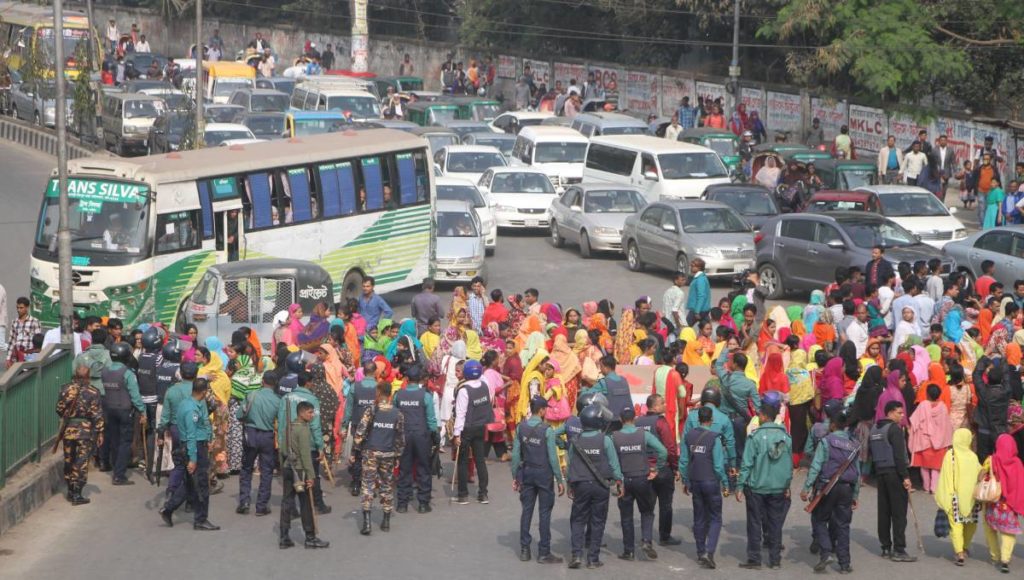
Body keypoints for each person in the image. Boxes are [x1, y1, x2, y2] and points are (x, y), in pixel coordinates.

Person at [736, 402, 793, 570]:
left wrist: (739, 486)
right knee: (775, 523)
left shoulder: (755, 437)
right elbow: (789, 465)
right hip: (778, 487)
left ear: (763, 416)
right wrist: (787, 485)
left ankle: (754, 559)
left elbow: (746, 464)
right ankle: (775, 560)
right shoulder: (786, 437)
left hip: (756, 487)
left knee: (754, 522)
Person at [801, 410, 860, 574]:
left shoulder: (826, 441)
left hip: (828, 487)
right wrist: (855, 494)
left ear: (833, 425)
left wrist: (806, 487)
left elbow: (816, 466)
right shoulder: (854, 444)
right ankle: (845, 564)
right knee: (843, 525)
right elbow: (858, 473)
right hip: (847, 488)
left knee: (819, 519)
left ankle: (826, 552)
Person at [567, 404, 624, 569]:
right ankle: (593, 559)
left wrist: (570, 484)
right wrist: (619, 482)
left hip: (581, 485)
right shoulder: (605, 440)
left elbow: (571, 464)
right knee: (598, 521)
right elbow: (614, 465)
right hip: (600, 485)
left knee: (578, 520)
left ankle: (576, 555)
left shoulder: (575, 440)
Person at [159, 378, 219, 531]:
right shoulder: (191, 409)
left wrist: (210, 437)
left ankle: (168, 508)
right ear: (204, 392)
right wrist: (192, 459)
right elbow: (191, 436)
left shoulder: (192, 403)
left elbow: (205, 421)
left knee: (190, 484)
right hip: (194, 447)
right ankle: (201, 519)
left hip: (199, 444)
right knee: (201, 486)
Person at [511, 396, 565, 564]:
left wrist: (515, 476)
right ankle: (543, 552)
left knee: (526, 510)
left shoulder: (521, 428)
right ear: (541, 410)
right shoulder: (547, 430)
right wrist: (559, 479)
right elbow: (553, 458)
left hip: (527, 472)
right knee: (544, 513)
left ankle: (525, 550)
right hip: (544, 475)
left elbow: (515, 455)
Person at [613, 407, 667, 561]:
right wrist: (656, 469)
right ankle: (646, 541)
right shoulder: (644, 434)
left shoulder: (614, 437)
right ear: (634, 419)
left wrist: (616, 478)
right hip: (642, 479)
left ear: (621, 420)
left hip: (624, 480)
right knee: (647, 512)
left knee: (626, 516)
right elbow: (662, 451)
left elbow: (611, 459)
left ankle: (628, 551)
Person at [352, 381, 405, 535]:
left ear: (380, 392)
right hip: (388, 454)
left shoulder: (372, 410)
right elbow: (400, 438)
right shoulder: (398, 413)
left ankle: (367, 524)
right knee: (387, 485)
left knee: (367, 486)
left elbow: (360, 433)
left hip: (371, 453)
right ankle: (386, 521)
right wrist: (398, 455)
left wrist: (356, 449)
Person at [680, 406, 726, 568]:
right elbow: (719, 466)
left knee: (699, 517)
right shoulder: (715, 438)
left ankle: (700, 553)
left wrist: (686, 481)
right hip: (711, 481)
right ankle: (709, 551)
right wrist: (725, 483)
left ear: (698, 419)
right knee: (715, 518)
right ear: (711, 420)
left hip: (696, 482)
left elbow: (684, 461)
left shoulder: (689, 436)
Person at [870, 399, 916, 561]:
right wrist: (905, 477)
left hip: (880, 474)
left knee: (884, 511)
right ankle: (899, 549)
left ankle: (885, 547)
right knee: (898, 513)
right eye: (899, 412)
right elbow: (898, 455)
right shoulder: (894, 430)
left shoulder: (874, 428)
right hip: (894, 473)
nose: (902, 416)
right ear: (890, 413)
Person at [279, 400, 330, 549]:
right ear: (301, 413)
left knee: (287, 502)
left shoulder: (289, 427)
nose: (312, 415)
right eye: (309, 412)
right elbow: (306, 456)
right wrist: (311, 476)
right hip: (300, 471)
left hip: (289, 468)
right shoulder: (303, 429)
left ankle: (284, 536)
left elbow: (282, 450)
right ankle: (310, 537)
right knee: (306, 504)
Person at [56, 366, 105, 505]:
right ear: (88, 376)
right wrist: (100, 432)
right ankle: (77, 493)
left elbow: (59, 409)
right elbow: (97, 414)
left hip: (68, 430)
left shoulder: (65, 389)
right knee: (81, 461)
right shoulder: (93, 392)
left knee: (69, 459)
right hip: (85, 431)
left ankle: (70, 490)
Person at [637, 394, 681, 546]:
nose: (665, 405)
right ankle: (664, 536)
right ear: (654, 406)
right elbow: (670, 447)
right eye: (662, 403)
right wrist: (675, 467)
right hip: (662, 468)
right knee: (665, 504)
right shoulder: (661, 423)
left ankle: (646, 537)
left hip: (644, 469)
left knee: (647, 506)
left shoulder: (638, 422)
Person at [236, 372, 281, 516]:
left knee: (247, 468)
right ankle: (261, 505)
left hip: (251, 434)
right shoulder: (277, 400)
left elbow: (239, 415)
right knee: (266, 471)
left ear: (262, 381)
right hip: (267, 436)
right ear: (275, 384)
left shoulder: (251, 395)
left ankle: (244, 502)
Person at [394, 365, 438, 513]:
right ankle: (423, 503)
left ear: (406, 379)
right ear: (420, 379)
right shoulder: (425, 396)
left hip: (403, 435)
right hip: (421, 435)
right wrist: (435, 436)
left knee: (404, 469)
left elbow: (394, 416)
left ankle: (402, 503)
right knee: (423, 468)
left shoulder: (398, 395)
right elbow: (431, 419)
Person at [936, 428, 981, 566]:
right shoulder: (973, 456)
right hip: (971, 498)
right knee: (971, 525)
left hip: (954, 496)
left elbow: (945, 476)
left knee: (956, 525)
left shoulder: (950, 455)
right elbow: (979, 474)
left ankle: (959, 553)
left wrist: (945, 495)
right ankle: (965, 547)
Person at [103, 342, 146, 485]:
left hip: (109, 409)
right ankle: (119, 475)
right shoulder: (128, 373)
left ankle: (116, 467)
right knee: (125, 442)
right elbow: (135, 395)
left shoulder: (105, 371)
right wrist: (142, 410)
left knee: (114, 440)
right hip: (125, 411)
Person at [981, 434, 1024, 573]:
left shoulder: (991, 460)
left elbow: (980, 476)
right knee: (1008, 532)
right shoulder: (1017, 463)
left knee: (990, 528)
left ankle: (995, 556)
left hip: (993, 502)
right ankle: (1005, 559)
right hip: (1009, 506)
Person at [453, 360, 492, 504]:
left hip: (467, 428)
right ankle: (483, 494)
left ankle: (463, 495)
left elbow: (460, 413)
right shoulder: (484, 386)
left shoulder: (464, 390)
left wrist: (457, 434)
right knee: (480, 460)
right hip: (480, 426)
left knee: (463, 461)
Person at [7, 296, 40, 367]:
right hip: (16, 357)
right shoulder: (14, 322)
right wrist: (8, 358)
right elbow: (11, 341)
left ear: (27, 308)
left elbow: (38, 341)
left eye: (21, 308)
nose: (18, 310)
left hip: (29, 356)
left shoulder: (34, 321)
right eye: (17, 308)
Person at [687, 258, 711, 325]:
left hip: (699, 309)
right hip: (702, 309)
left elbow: (701, 296)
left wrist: (697, 311)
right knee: (706, 326)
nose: (691, 267)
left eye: (693, 266)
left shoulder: (700, 279)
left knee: (685, 328)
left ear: (699, 267)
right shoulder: (699, 277)